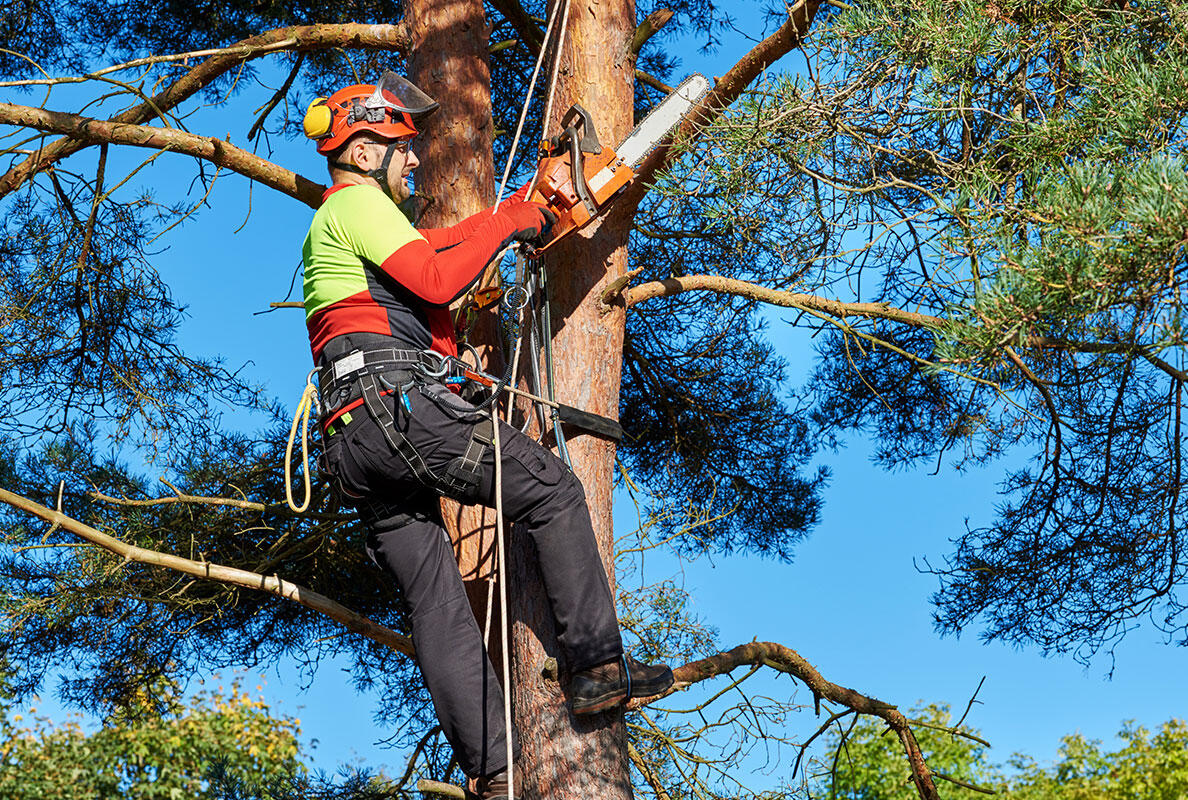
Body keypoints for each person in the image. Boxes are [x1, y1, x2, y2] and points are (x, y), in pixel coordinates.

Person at [299, 72, 674, 798]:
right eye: (404, 150)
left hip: (356, 439)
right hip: (394, 408)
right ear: (368, 149)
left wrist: (521, 211)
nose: (414, 163)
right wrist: (510, 220)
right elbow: (438, 277)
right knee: (552, 490)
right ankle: (596, 669)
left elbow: (436, 253)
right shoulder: (356, 206)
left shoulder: (347, 230)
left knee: (435, 603)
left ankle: (495, 773)